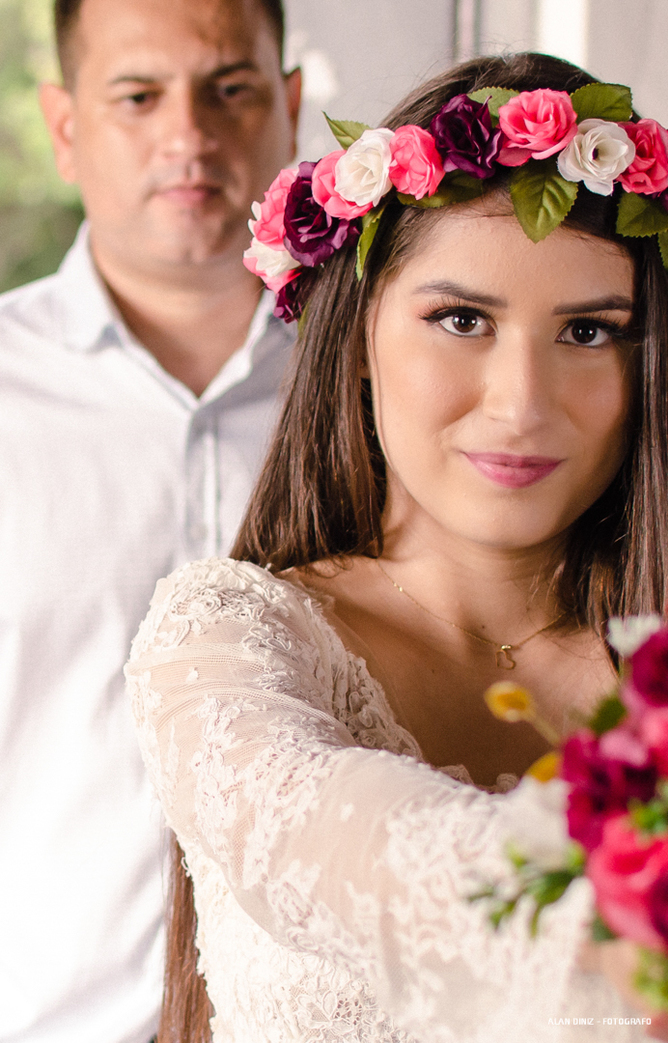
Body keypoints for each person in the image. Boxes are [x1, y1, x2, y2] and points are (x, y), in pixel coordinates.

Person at [125, 51, 668, 1042]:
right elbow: (327, 840)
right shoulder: (226, 640)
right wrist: (648, 911)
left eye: (588, 332)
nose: (520, 404)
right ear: (356, 337)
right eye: (462, 319)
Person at [0, 0, 300, 1039]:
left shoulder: (386, 385)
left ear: (291, 106)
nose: (189, 135)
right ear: (65, 127)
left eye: (230, 89)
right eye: (138, 96)